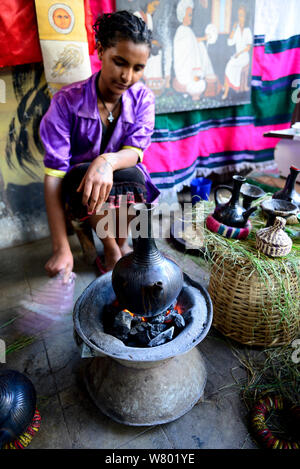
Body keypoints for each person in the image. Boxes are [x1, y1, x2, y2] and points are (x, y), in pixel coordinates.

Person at [40, 10, 159, 282]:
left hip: (117, 182)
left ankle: (121, 243)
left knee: (134, 176)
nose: (127, 76)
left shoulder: (144, 100)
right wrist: (61, 249)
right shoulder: (66, 102)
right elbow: (54, 175)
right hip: (81, 192)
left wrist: (106, 161)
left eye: (137, 68)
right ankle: (110, 250)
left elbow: (135, 152)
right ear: (101, 50)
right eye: (119, 62)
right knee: (84, 176)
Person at [173, 0, 215, 100]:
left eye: (191, 15)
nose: (191, 18)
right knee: (196, 82)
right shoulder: (181, 30)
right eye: (189, 15)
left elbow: (194, 41)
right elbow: (185, 48)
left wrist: (205, 38)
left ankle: (197, 86)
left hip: (192, 67)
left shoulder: (188, 30)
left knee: (201, 47)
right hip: (184, 69)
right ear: (183, 15)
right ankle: (191, 88)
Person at [222, 5, 252, 100]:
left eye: (242, 15)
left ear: (245, 17)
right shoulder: (237, 30)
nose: (240, 18)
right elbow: (229, 42)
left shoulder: (247, 31)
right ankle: (227, 88)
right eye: (239, 15)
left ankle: (226, 91)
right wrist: (233, 29)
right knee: (229, 66)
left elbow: (248, 47)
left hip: (244, 57)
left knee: (230, 66)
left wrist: (239, 53)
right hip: (237, 56)